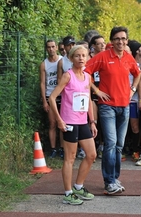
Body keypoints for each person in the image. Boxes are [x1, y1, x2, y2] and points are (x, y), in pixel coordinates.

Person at [85, 26, 141, 195]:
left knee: (118, 146)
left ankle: (115, 178)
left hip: (124, 106)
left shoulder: (129, 58)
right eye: (117, 39)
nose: (121, 42)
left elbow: (137, 73)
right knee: (110, 144)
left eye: (124, 39)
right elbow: (86, 73)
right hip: (107, 107)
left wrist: (132, 89)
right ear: (112, 41)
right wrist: (96, 91)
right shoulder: (102, 57)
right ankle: (109, 181)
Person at [48, 45, 97, 205]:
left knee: (91, 155)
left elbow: (88, 99)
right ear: (71, 58)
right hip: (69, 122)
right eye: (77, 56)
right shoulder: (67, 76)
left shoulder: (88, 77)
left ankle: (78, 186)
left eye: (84, 55)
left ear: (88, 57)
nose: (81, 58)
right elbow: (52, 98)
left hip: (83, 122)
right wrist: (60, 120)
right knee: (70, 158)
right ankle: (68, 193)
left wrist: (92, 121)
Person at [39, 40, 63, 158]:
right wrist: (44, 100)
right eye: (48, 47)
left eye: (53, 47)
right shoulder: (44, 64)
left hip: (62, 95)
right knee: (52, 123)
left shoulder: (62, 61)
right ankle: (53, 149)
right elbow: (42, 83)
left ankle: (63, 148)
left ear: (57, 47)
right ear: (46, 49)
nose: (51, 49)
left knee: (63, 123)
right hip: (50, 95)